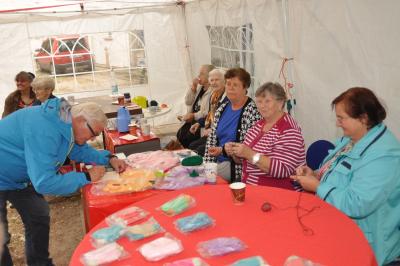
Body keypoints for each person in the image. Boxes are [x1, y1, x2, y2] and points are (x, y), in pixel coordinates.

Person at [0, 98, 127, 266]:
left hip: (21, 178)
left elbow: (77, 149)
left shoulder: (65, 121)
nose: (92, 138)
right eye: (94, 134)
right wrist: (86, 177)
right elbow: (44, 182)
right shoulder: (44, 129)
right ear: (81, 120)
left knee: (38, 217)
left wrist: (108, 158)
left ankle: (40, 263)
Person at [290, 87, 400, 265]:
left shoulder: (384, 155)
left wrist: (317, 186)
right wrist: (316, 174)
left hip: (368, 246)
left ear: (363, 118)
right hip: (338, 230)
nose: (337, 123)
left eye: (341, 118)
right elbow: (337, 173)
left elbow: (357, 203)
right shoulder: (352, 138)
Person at [230, 82, 305, 190]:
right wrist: (235, 153)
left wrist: (250, 154)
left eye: (267, 101)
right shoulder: (259, 125)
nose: (262, 106)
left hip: (278, 192)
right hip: (251, 185)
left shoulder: (289, 130)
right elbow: (245, 159)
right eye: (259, 101)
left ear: (280, 103)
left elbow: (282, 170)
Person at [204, 68, 261, 182]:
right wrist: (207, 163)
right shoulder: (223, 107)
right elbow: (212, 139)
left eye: (235, 85)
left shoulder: (252, 111)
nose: (230, 88)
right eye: (228, 84)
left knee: (203, 178)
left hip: (236, 166)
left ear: (245, 88)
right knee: (197, 171)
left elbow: (248, 147)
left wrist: (223, 150)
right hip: (218, 161)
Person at [188, 68, 227, 156]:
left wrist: (213, 131)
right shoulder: (214, 96)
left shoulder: (227, 98)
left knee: (198, 150)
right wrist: (198, 123)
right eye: (212, 80)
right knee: (192, 145)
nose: (213, 82)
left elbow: (225, 121)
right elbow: (210, 114)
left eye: (217, 80)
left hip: (220, 136)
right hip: (212, 132)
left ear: (224, 81)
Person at [177, 64, 215, 148]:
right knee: (179, 135)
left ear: (209, 77)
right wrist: (193, 88)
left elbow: (208, 113)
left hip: (201, 123)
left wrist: (194, 116)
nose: (198, 76)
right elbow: (188, 102)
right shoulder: (199, 88)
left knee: (187, 139)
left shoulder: (213, 92)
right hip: (191, 120)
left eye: (201, 74)